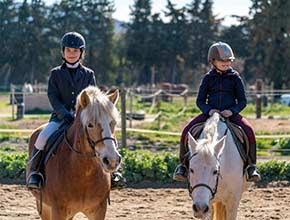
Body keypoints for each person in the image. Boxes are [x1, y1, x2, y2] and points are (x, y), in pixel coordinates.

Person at [27, 32, 125, 189]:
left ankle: (112, 174)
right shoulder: (55, 73)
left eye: (75, 50)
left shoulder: (88, 74)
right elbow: (53, 96)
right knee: (42, 137)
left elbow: (95, 97)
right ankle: (35, 173)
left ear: (81, 52)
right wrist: (64, 114)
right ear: (63, 52)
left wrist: (83, 115)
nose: (71, 54)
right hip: (60, 118)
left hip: (86, 119)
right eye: (68, 50)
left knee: (106, 137)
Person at [173, 42, 261, 182]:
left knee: (249, 131)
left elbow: (243, 101)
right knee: (186, 131)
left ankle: (251, 167)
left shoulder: (236, 78)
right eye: (222, 61)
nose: (226, 63)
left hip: (230, 114)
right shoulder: (208, 78)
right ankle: (182, 166)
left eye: (228, 60)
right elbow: (200, 101)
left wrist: (231, 111)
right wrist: (209, 110)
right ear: (213, 61)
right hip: (210, 114)